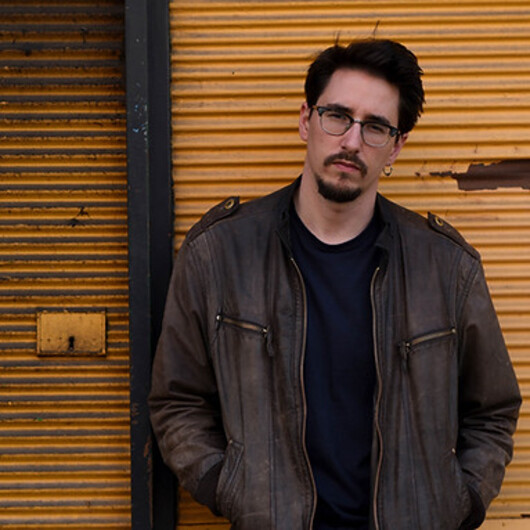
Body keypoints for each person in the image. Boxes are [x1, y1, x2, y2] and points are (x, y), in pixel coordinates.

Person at [149, 39, 521, 529]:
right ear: (307, 120)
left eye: (375, 126)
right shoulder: (219, 253)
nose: (351, 141)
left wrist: (458, 499)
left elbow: (493, 409)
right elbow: (177, 401)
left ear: (396, 145)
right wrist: (229, 486)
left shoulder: (446, 267)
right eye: (338, 116)